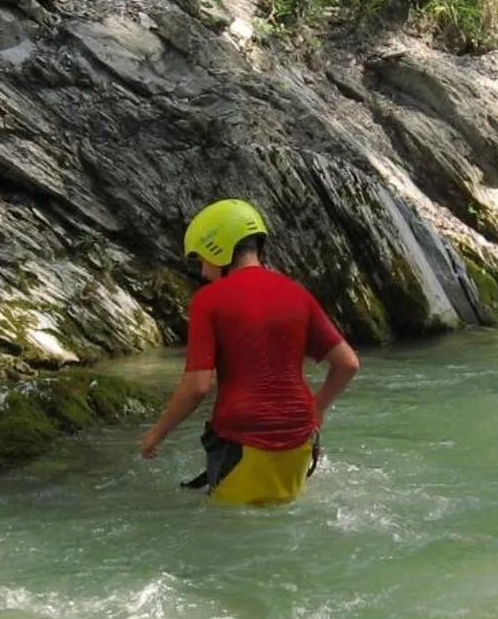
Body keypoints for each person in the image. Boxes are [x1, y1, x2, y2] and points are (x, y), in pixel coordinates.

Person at [139, 198, 361, 506]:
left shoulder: (209, 300)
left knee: (231, 535)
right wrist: (317, 407)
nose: (203, 270)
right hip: (301, 441)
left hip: (242, 439)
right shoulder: (296, 292)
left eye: (201, 258)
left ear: (218, 249)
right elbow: (348, 363)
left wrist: (157, 433)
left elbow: (197, 387)